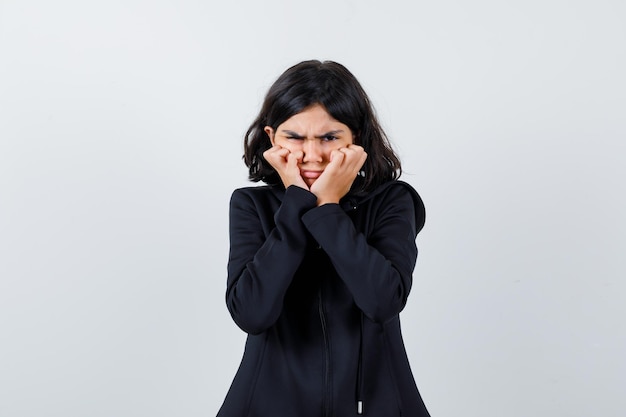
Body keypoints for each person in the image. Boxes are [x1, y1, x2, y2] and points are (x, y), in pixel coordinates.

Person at [217, 60, 431, 417]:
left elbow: (382, 301)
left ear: (356, 139)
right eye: (295, 137)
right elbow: (252, 313)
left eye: (329, 137)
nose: (312, 155)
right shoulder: (251, 205)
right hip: (266, 406)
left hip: (376, 403)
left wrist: (328, 209)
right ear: (272, 137)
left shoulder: (393, 201)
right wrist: (298, 202)